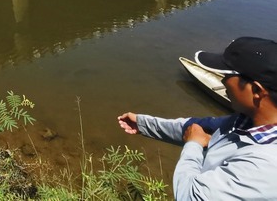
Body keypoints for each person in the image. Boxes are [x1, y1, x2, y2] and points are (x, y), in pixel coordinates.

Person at [118, 36, 277, 200]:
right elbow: (196, 127)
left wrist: (193, 145)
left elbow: (190, 196)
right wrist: (144, 124)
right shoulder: (245, 120)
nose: (222, 81)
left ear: (257, 91)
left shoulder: (265, 166)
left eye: (227, 75)